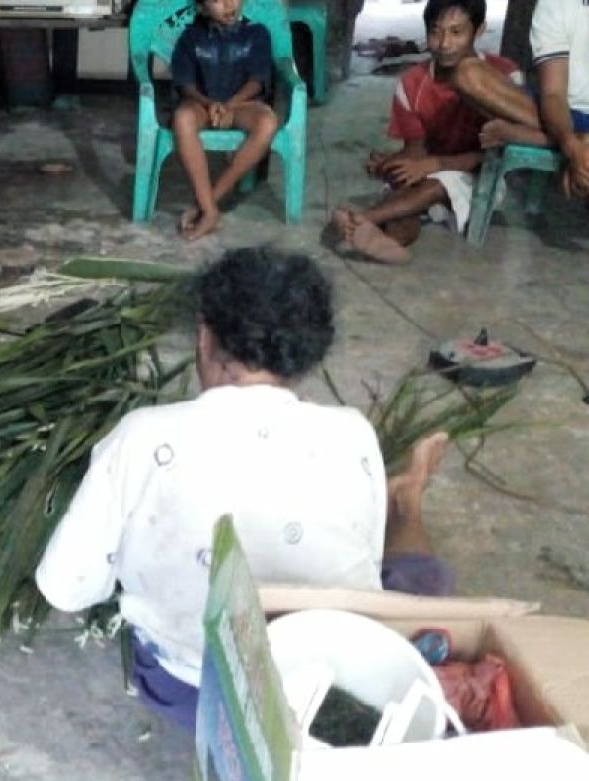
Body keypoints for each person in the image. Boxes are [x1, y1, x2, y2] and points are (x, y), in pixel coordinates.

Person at [35, 247, 454, 732]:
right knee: (420, 585)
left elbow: (65, 590)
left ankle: (405, 498)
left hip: (192, 692)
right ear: (308, 352)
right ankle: (408, 503)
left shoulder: (144, 435)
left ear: (205, 336)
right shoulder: (351, 430)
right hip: (332, 691)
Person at [331, 0, 522, 264]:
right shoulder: (412, 82)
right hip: (428, 168)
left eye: (457, 32)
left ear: (479, 31)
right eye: (435, 32)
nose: (444, 44)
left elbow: (503, 151)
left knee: (437, 185)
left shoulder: (504, 75)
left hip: (483, 175)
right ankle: (385, 239)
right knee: (405, 190)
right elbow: (416, 150)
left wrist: (433, 163)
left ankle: (363, 218)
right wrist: (395, 162)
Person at [443, 0, 589, 199]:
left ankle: (542, 138)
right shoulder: (556, 5)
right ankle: (573, 140)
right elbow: (553, 94)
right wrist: (571, 146)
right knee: (468, 74)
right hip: (556, 111)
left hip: (550, 122)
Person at [169, 0, 279, 240]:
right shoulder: (190, 37)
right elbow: (185, 84)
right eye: (218, 0)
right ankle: (210, 212)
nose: (229, 4)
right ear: (201, 6)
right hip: (202, 105)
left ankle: (208, 201)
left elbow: (257, 81)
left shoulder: (256, 33)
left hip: (240, 105)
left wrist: (229, 105)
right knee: (182, 118)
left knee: (267, 122)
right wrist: (209, 104)